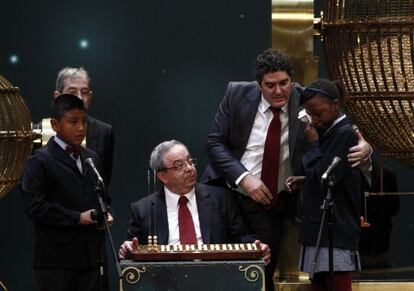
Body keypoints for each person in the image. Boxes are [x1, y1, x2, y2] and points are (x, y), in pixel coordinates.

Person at [201, 48, 371, 290]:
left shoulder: (305, 101)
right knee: (216, 270)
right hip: (228, 194)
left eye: (284, 83)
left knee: (259, 275)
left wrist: (366, 148)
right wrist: (244, 178)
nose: (279, 91)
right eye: (271, 85)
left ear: (292, 79)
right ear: (259, 84)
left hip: (271, 202)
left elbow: (338, 129)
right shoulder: (236, 94)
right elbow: (214, 142)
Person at [118, 140, 270, 265]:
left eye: (190, 161)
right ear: (163, 176)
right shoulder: (143, 210)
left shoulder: (221, 199)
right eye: (180, 165)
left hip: (215, 279)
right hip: (166, 281)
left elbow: (243, 237)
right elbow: (132, 249)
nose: (189, 168)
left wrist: (257, 247)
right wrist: (127, 249)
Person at [21, 94, 113, 291]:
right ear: (55, 125)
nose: (81, 128)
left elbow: (103, 196)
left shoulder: (92, 158)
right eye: (73, 122)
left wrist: (106, 213)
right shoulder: (39, 160)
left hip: (93, 259)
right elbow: (35, 207)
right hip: (57, 263)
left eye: (84, 122)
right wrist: (77, 217)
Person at [295, 79, 362, 291]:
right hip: (319, 231)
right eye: (309, 114)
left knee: (336, 282)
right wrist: (304, 181)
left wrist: (313, 144)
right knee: (319, 283)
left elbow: (324, 178)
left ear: (335, 104)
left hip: (335, 232)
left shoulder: (344, 133)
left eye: (318, 113)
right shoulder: (330, 131)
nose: (313, 121)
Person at [38, 67, 115, 185]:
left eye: (84, 92)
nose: (79, 98)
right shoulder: (40, 131)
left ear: (90, 96)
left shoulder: (103, 132)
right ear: (58, 96)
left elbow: (103, 181)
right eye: (72, 92)